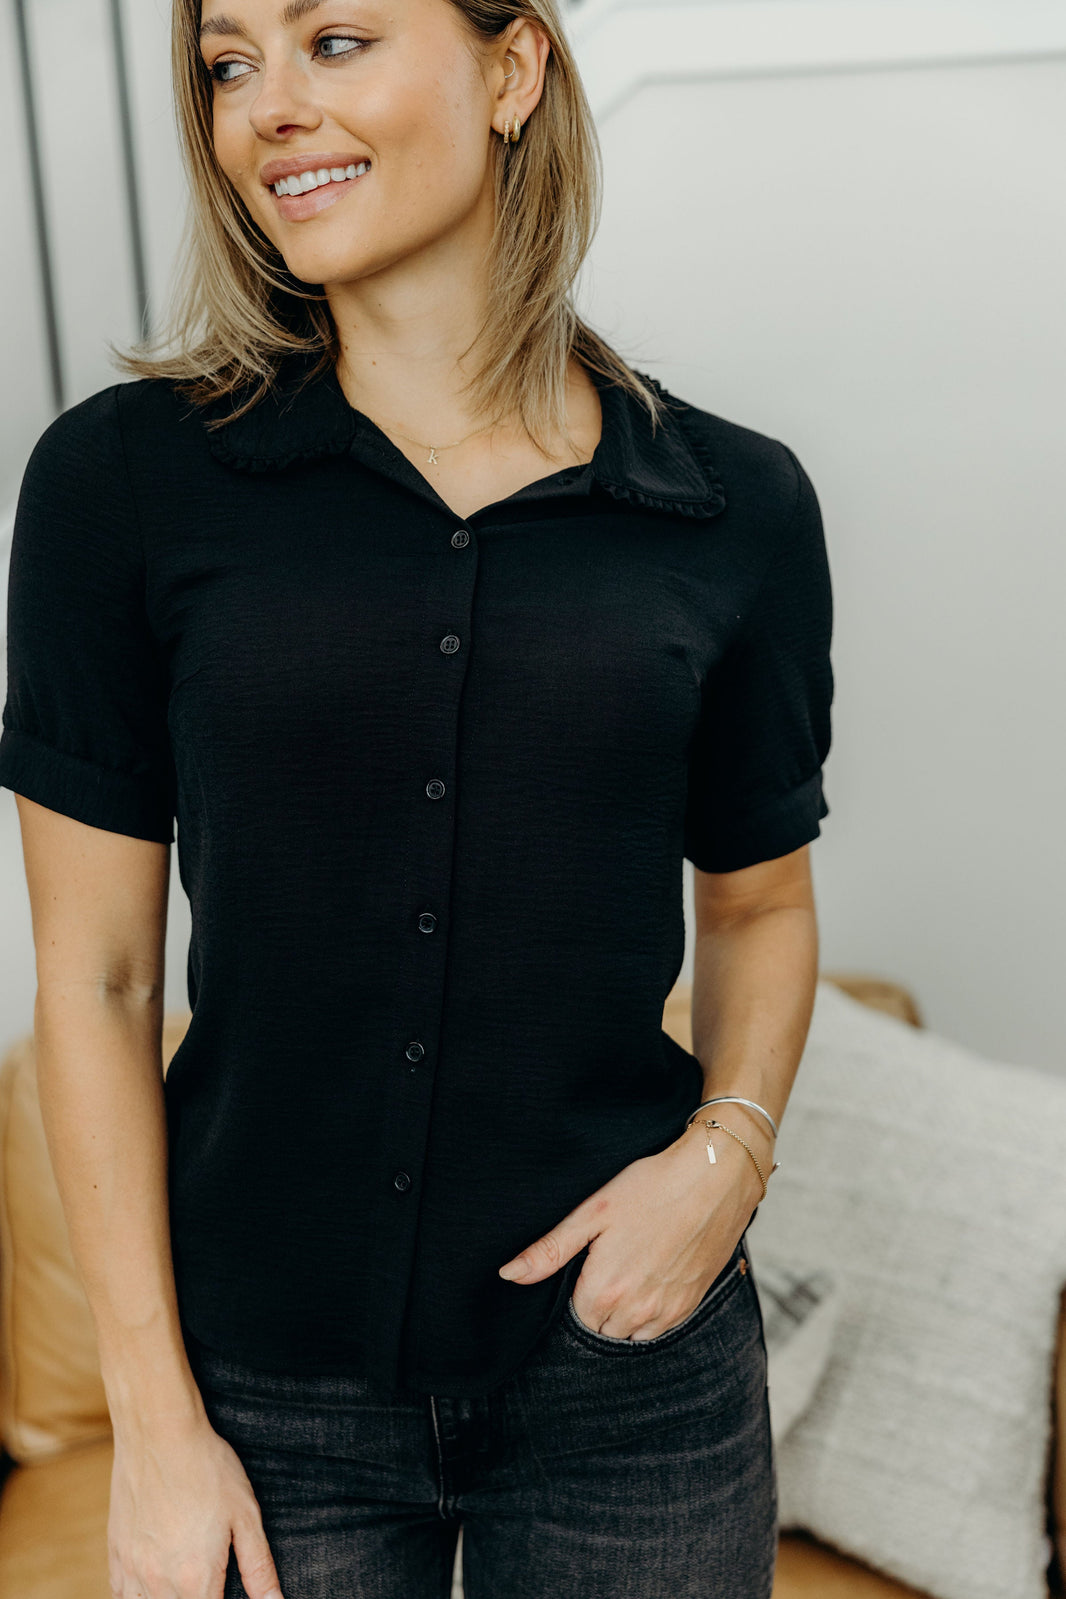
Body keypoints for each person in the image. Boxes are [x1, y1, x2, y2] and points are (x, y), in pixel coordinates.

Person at [0, 0, 834, 1595]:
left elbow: (758, 903)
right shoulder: (120, 484)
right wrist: (155, 1426)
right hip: (259, 1395)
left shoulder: (733, 508)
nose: (268, 109)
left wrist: (723, 1159)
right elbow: (96, 982)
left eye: (333, 41)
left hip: (627, 1381)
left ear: (512, 70)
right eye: (231, 62)